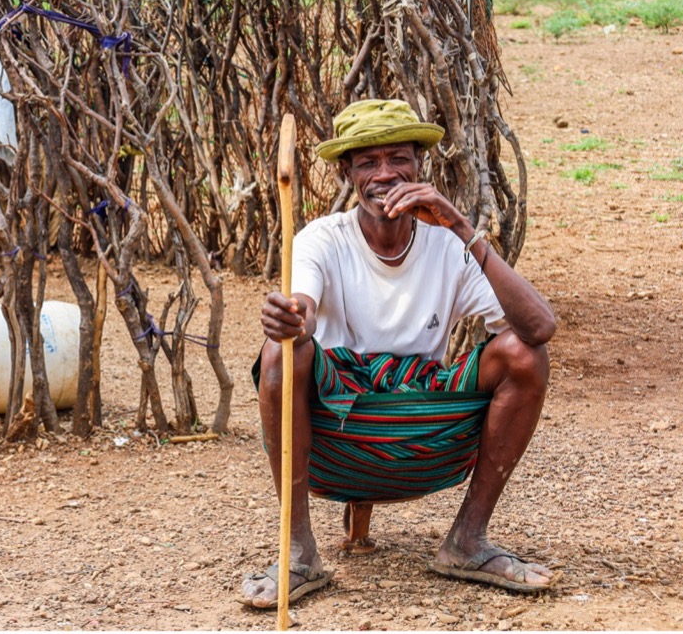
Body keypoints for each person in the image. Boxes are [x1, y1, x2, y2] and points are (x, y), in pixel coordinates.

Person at [239, 98, 557, 608]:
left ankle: (467, 541)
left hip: (428, 425)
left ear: (420, 165)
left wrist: (458, 224)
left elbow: (539, 327)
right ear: (347, 172)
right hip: (341, 426)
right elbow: (304, 313)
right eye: (368, 162)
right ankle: (298, 552)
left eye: (399, 159)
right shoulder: (322, 239)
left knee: (525, 354)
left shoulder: (449, 245)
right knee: (280, 353)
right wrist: (291, 323)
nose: (385, 175)